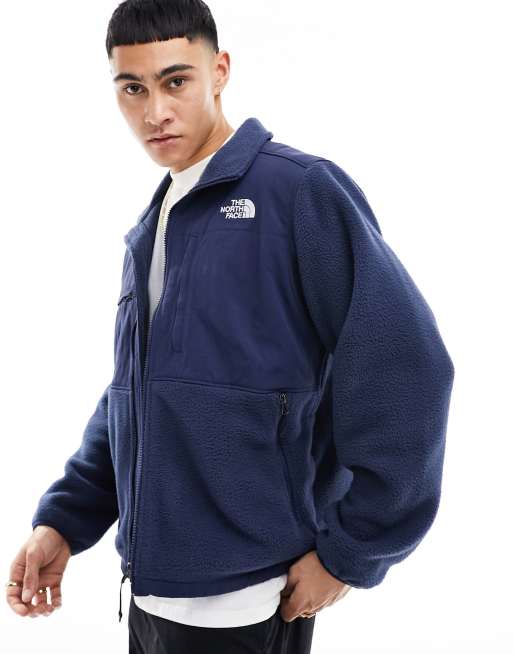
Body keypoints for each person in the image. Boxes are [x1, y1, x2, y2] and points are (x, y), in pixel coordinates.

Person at [5, 1, 455, 652]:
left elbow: (406, 371)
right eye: (132, 88)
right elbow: (138, 394)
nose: (154, 112)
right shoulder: (156, 220)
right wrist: (65, 521)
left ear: (219, 71)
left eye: (175, 80)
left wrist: (350, 553)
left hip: (250, 598)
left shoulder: (299, 192)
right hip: (151, 594)